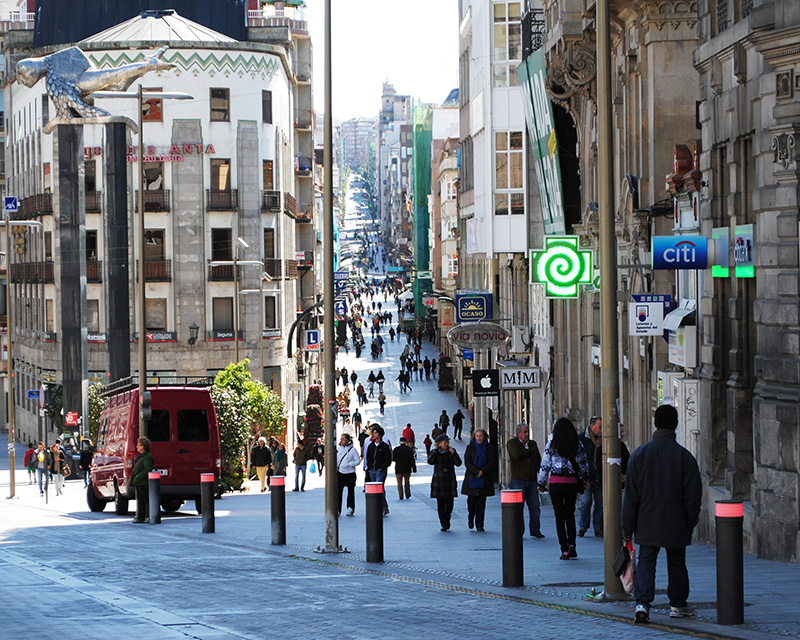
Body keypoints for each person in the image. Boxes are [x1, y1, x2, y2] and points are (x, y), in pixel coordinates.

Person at [622, 404, 702, 624]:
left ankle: (642, 604)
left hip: (646, 521)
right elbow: (693, 495)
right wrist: (690, 521)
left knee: (646, 561)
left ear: (655, 423)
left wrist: (627, 526)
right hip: (676, 521)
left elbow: (631, 496)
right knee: (677, 562)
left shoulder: (639, 455)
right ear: (675, 425)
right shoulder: (685, 458)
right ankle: (677, 604)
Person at [538, 418, 589, 560]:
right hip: (571, 482)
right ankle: (572, 545)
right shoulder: (577, 444)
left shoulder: (552, 445)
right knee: (570, 514)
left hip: (556, 483)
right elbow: (583, 463)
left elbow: (545, 465)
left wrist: (541, 483)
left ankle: (564, 549)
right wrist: (585, 479)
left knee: (559, 517)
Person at [507, 423, 545, 538]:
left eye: (528, 432)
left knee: (535, 506)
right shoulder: (512, 443)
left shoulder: (533, 444)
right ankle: (518, 531)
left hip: (532, 479)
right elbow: (518, 455)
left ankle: (535, 529)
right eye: (524, 432)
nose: (527, 434)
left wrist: (542, 478)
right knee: (518, 508)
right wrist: (529, 452)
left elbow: (538, 459)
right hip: (518, 480)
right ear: (518, 433)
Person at [461, 429, 496, 531]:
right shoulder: (470, 447)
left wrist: (482, 471)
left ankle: (480, 524)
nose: (479, 438)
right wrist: (476, 471)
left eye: (481, 436)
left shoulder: (489, 448)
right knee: (471, 502)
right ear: (474, 437)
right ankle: (471, 517)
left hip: (484, 479)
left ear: (484, 437)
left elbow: (491, 462)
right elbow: (467, 462)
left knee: (481, 503)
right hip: (472, 478)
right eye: (477, 436)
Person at [428, 434, 462, 531]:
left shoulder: (451, 452)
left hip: (449, 479)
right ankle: (444, 523)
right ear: (439, 444)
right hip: (439, 480)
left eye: (447, 442)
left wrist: (454, 453)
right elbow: (430, 461)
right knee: (441, 503)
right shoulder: (435, 452)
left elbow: (458, 463)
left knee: (450, 502)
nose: (446, 444)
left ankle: (447, 518)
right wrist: (435, 451)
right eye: (444, 442)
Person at [578, 415, 603, 537]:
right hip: (586, 476)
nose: (601, 429)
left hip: (599, 476)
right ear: (592, 426)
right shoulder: (582, 439)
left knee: (600, 503)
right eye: (599, 427)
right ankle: (583, 526)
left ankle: (598, 528)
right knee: (585, 502)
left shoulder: (604, 439)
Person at [365, 424, 392, 516]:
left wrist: (383, 467)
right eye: (373, 432)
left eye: (375, 432)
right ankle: (382, 507)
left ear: (380, 434)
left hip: (380, 470)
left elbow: (388, 458)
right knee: (377, 489)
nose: (373, 434)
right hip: (372, 470)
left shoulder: (384, 446)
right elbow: (368, 457)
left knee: (379, 488)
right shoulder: (371, 446)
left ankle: (383, 508)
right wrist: (368, 467)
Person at [130, 437, 154, 523]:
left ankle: (148, 516)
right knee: (140, 500)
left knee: (146, 499)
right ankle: (140, 516)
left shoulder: (147, 457)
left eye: (138, 445)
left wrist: (138, 476)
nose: (136, 447)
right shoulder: (141, 456)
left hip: (143, 482)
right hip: (139, 482)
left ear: (143, 446)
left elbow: (147, 470)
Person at [336, 433, 361, 516]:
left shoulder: (352, 450)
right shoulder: (339, 449)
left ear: (348, 440)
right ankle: (337, 509)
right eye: (341, 439)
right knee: (338, 491)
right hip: (340, 473)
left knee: (351, 491)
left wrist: (351, 464)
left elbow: (358, 460)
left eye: (343, 439)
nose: (341, 441)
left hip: (350, 473)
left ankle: (350, 508)